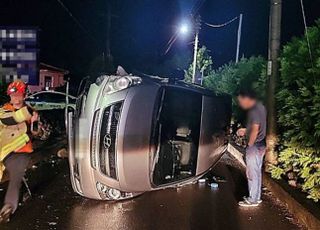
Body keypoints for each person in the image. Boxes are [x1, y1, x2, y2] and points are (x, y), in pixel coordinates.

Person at [0, 80, 39, 223]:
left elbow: (39, 134)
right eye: (12, 96)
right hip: (4, 152)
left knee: (16, 175)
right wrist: (28, 113)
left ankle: (8, 207)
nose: (15, 99)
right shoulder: (4, 111)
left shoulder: (31, 112)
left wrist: (35, 122)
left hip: (22, 152)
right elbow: (10, 119)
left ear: (24, 95)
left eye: (18, 95)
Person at [236, 88, 267, 207]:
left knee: (251, 173)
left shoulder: (254, 111)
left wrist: (249, 145)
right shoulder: (261, 107)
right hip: (261, 144)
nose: (241, 104)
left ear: (247, 98)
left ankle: (252, 199)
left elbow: (255, 129)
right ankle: (256, 196)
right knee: (257, 172)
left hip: (255, 145)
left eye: (241, 100)